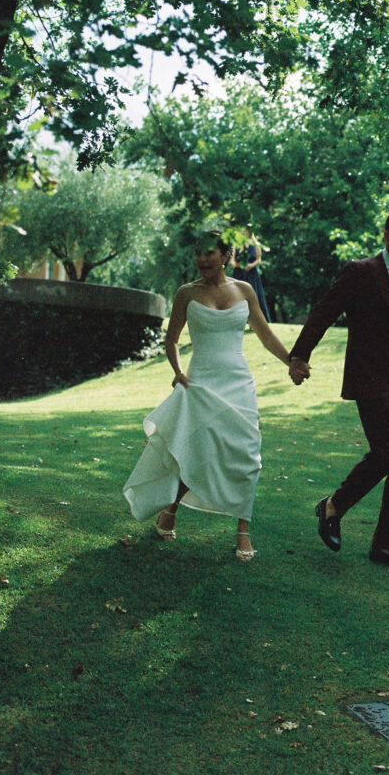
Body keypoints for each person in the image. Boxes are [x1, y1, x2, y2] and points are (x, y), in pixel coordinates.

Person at [289, 209, 389, 572]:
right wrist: (300, 355)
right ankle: (333, 506)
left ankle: (386, 547)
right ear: (386, 235)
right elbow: (324, 312)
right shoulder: (360, 272)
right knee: (388, 455)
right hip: (375, 381)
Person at [123, 230, 293, 562]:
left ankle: (243, 530)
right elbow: (172, 338)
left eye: (209, 253)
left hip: (238, 382)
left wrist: (292, 362)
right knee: (195, 451)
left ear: (226, 256)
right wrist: (177, 370)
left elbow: (265, 334)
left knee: (247, 454)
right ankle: (170, 511)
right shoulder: (186, 293)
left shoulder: (244, 290)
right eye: (198, 253)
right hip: (199, 382)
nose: (202, 259)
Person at [232, 228, 271, 321]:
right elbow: (232, 261)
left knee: (254, 295)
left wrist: (251, 265)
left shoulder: (255, 244)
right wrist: (239, 265)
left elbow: (258, 259)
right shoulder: (236, 244)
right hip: (239, 273)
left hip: (251, 273)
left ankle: (256, 319)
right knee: (238, 295)